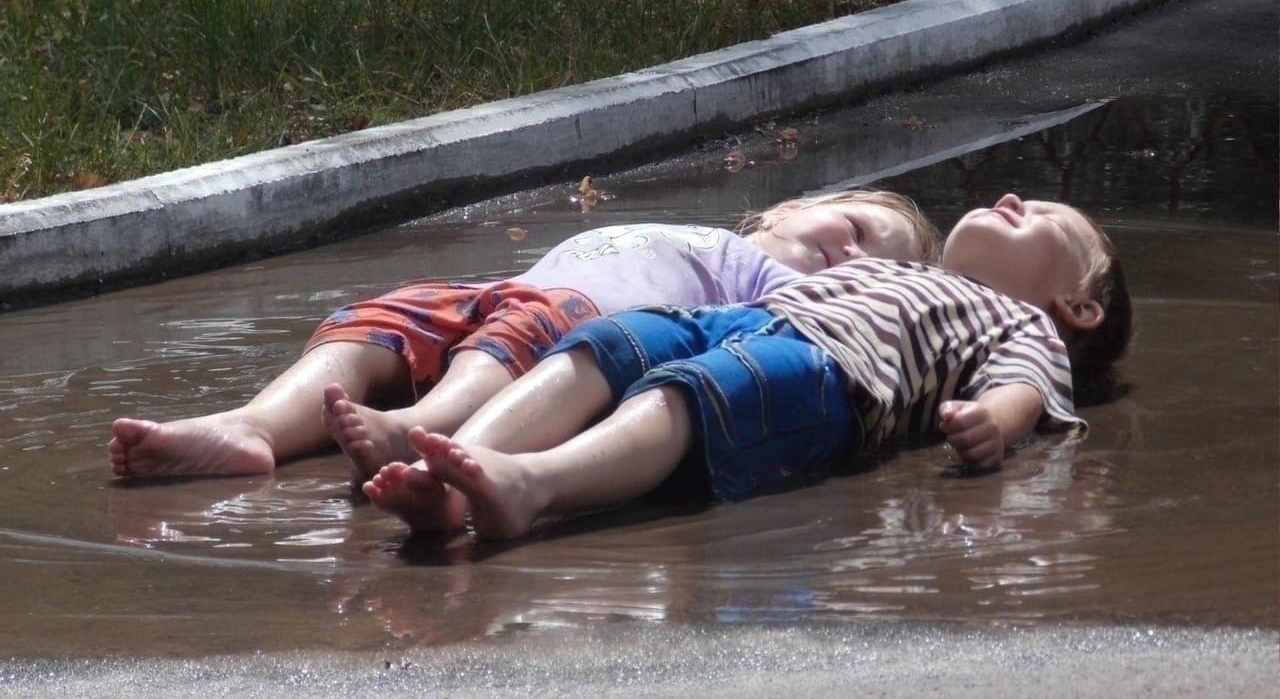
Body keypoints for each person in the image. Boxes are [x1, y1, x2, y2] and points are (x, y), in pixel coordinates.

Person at [362, 193, 1132, 540]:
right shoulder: (918, 275)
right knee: (610, 345)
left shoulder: (1021, 320)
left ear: (1080, 307)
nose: (1009, 197)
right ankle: (462, 468)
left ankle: (534, 486)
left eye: (1042, 216)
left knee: (692, 394)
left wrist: (988, 425)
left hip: (834, 369)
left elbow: (1024, 390)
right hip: (753, 321)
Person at [108, 188, 939, 480]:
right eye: (859, 225)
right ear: (795, 206)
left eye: (872, 260)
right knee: (377, 319)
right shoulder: (716, 235)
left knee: (507, 345)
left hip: (572, 327)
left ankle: (417, 427)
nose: (851, 252)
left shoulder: (764, 285)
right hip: (504, 291)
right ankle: (253, 425)